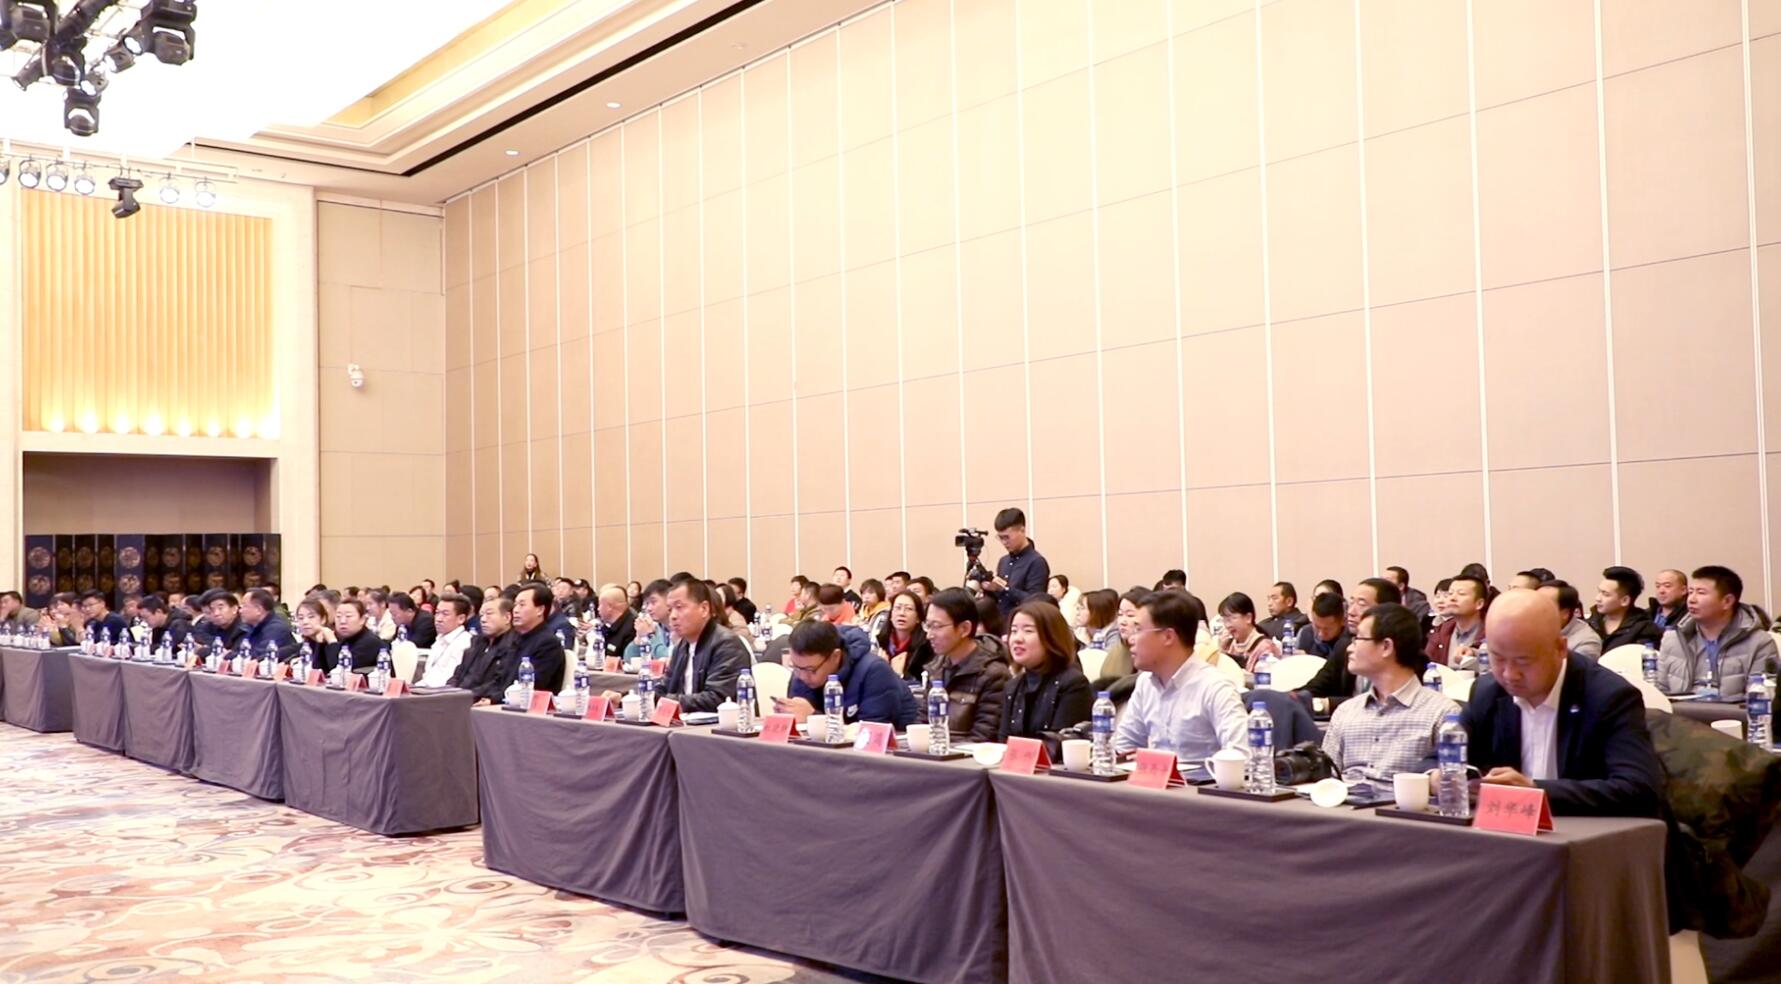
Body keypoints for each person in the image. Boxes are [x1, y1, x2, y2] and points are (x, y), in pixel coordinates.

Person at [1458, 589, 1664, 817]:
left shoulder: (1608, 696)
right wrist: (1439, 776)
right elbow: (1440, 757)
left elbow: (1639, 790)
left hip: (1594, 831)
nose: (1509, 674)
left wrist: (1536, 791)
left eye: (1523, 661)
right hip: (1510, 832)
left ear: (1560, 649)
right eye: (1497, 658)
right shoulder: (1487, 692)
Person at [1323, 603, 1457, 779]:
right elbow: (1326, 780)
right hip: (1346, 795)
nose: (1349, 648)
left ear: (1386, 646)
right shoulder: (1346, 712)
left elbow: (1451, 784)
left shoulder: (1442, 714)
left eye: (1358, 639)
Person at [1113, 590, 1246, 759]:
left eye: (1138, 630)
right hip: (1153, 776)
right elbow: (1123, 748)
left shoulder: (1215, 688)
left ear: (1168, 636)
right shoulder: (1145, 683)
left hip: (1201, 776)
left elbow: (1241, 757)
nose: (1131, 639)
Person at [1656, 565, 1777, 698]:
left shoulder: (1760, 642)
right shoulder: (1673, 639)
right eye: (1690, 592)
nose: (1691, 599)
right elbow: (1661, 692)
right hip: (1680, 710)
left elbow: (1761, 698)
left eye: (1701, 593)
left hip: (1734, 711)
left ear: (1727, 601)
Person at [779, 619, 918, 728]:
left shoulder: (875, 672)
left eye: (811, 670)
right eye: (795, 667)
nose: (803, 676)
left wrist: (814, 718)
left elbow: (872, 735)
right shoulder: (801, 672)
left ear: (835, 656)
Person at [920, 588, 1011, 741]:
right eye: (928, 625)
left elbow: (984, 737)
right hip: (935, 750)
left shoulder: (993, 674)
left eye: (936, 626)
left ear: (964, 629)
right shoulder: (936, 668)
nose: (929, 635)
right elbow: (922, 722)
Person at [998, 600, 1093, 742]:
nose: (1017, 639)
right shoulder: (1013, 686)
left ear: (1051, 637)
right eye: (1014, 631)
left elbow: (1060, 745)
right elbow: (1003, 741)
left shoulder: (1073, 684)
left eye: (1028, 631)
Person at [652, 579, 750, 713]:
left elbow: (717, 699)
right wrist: (644, 696)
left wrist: (665, 701)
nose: (673, 616)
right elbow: (664, 687)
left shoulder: (727, 644)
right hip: (685, 720)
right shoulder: (682, 646)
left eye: (679, 607)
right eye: (670, 610)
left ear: (704, 609)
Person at [498, 584, 567, 698]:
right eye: (515, 605)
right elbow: (498, 677)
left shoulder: (548, 644)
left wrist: (493, 699)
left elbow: (531, 686)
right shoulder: (512, 637)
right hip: (502, 699)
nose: (515, 610)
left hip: (525, 703)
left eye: (522, 605)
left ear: (540, 610)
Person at [1297, 590, 1363, 707]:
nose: (1321, 634)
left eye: (1327, 629)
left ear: (1343, 621)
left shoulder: (1348, 645)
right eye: (1317, 627)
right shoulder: (1306, 634)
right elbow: (1318, 684)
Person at [982, 507, 1050, 615]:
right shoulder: (1003, 561)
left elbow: (1036, 602)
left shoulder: (1037, 562)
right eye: (1000, 538)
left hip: (1022, 622)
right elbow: (1000, 600)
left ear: (1022, 531)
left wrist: (1005, 589)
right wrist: (989, 588)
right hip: (1001, 621)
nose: (1004, 542)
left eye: (1006, 537)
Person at [450, 597, 518, 704]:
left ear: (507, 617)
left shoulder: (513, 646)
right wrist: (449, 690)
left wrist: (463, 695)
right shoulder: (477, 642)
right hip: (458, 697)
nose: (483, 619)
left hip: (479, 701)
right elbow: (459, 673)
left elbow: (498, 682)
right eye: (481, 615)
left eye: (489, 614)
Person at [1589, 566, 1664, 652]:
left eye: (1606, 594)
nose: (1598, 598)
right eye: (1599, 592)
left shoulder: (1645, 630)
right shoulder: (1591, 623)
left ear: (1625, 600)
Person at [1425, 574, 1486, 666]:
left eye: (1461, 594)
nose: (1452, 598)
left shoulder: (1492, 631)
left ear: (1479, 604)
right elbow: (1427, 664)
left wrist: (1475, 653)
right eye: (1450, 594)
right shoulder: (1441, 631)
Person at [418, 593, 475, 687]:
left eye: (445, 614)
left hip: (441, 693)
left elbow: (448, 681)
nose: (438, 619)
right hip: (425, 688)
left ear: (461, 619)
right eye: (437, 613)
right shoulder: (439, 639)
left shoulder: (464, 643)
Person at [1536, 580, 1601, 660]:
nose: (1534, 609)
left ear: (1565, 613)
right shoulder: (1529, 628)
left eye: (1543, 605)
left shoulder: (1586, 642)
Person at [1216, 592, 1280, 669]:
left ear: (1248, 618)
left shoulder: (1265, 647)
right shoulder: (1227, 645)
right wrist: (1220, 649)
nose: (1227, 625)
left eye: (1232, 618)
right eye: (1224, 620)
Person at [878, 590, 931, 680]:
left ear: (918, 618)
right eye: (897, 608)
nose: (901, 613)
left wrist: (901, 675)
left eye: (908, 609)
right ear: (891, 615)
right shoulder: (880, 643)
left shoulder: (926, 646)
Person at [325, 599, 385, 674]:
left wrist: (332, 642)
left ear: (362, 620)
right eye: (338, 616)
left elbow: (339, 671)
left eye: (348, 616)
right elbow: (319, 669)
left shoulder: (370, 642)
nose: (342, 621)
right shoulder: (345, 638)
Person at [624, 579, 674, 664]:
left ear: (669, 601)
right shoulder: (656, 626)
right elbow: (628, 660)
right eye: (647, 604)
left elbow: (670, 659)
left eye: (653, 602)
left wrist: (650, 635)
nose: (649, 608)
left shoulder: (680, 628)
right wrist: (638, 638)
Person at [278, 597, 337, 663]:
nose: (305, 622)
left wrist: (332, 641)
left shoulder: (333, 641)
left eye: (311, 617)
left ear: (323, 619)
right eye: (301, 618)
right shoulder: (307, 644)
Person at [590, 584, 637, 661]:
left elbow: (627, 662)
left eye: (600, 605)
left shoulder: (633, 629)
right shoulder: (609, 627)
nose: (598, 609)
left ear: (610, 607)